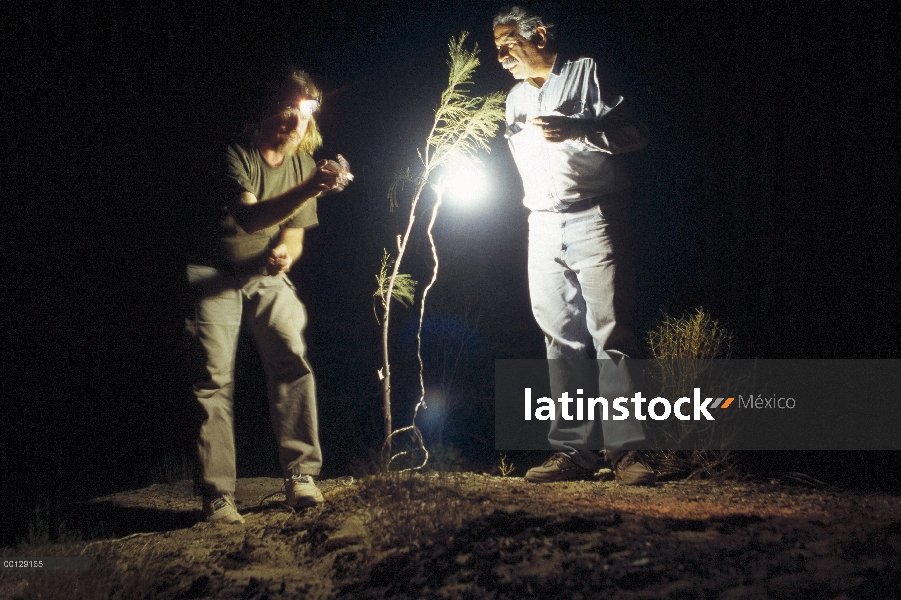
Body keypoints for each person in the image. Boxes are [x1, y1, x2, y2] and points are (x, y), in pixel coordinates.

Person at [493, 6, 656, 485]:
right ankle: (573, 452)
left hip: (597, 214)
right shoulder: (515, 97)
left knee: (610, 332)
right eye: (498, 48)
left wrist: (582, 130)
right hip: (541, 222)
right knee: (559, 336)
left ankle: (626, 453)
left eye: (508, 45)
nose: (501, 57)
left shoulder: (589, 72)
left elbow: (637, 132)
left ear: (539, 35)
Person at [185, 70, 353, 524]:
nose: (295, 121)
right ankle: (218, 494)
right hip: (211, 272)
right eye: (287, 108)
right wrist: (314, 186)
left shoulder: (302, 163)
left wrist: (286, 255)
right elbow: (250, 218)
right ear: (263, 112)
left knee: (291, 356)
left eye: (304, 113)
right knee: (213, 378)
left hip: (263, 274)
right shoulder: (236, 155)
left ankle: (301, 474)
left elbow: (293, 235)